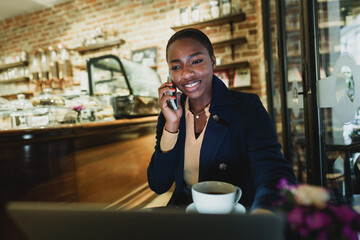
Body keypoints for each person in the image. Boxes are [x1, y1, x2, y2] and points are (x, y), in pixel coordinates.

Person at [147, 28, 296, 213]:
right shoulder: (169, 113)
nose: (186, 74)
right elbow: (158, 184)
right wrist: (171, 126)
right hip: (186, 217)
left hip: (232, 218)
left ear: (213, 61)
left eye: (196, 61)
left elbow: (274, 172)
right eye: (176, 67)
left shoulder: (247, 107)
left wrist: (263, 215)